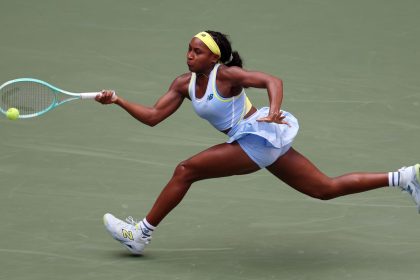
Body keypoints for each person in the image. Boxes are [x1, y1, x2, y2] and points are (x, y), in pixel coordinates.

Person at [97, 31, 420, 255]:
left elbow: (271, 81)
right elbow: (153, 116)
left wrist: (274, 110)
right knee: (325, 188)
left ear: (215, 57)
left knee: (185, 170)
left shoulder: (228, 75)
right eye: (189, 49)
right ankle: (405, 177)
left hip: (259, 135)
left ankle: (141, 234)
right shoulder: (183, 84)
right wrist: (118, 100)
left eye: (198, 51)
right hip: (259, 140)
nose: (189, 56)